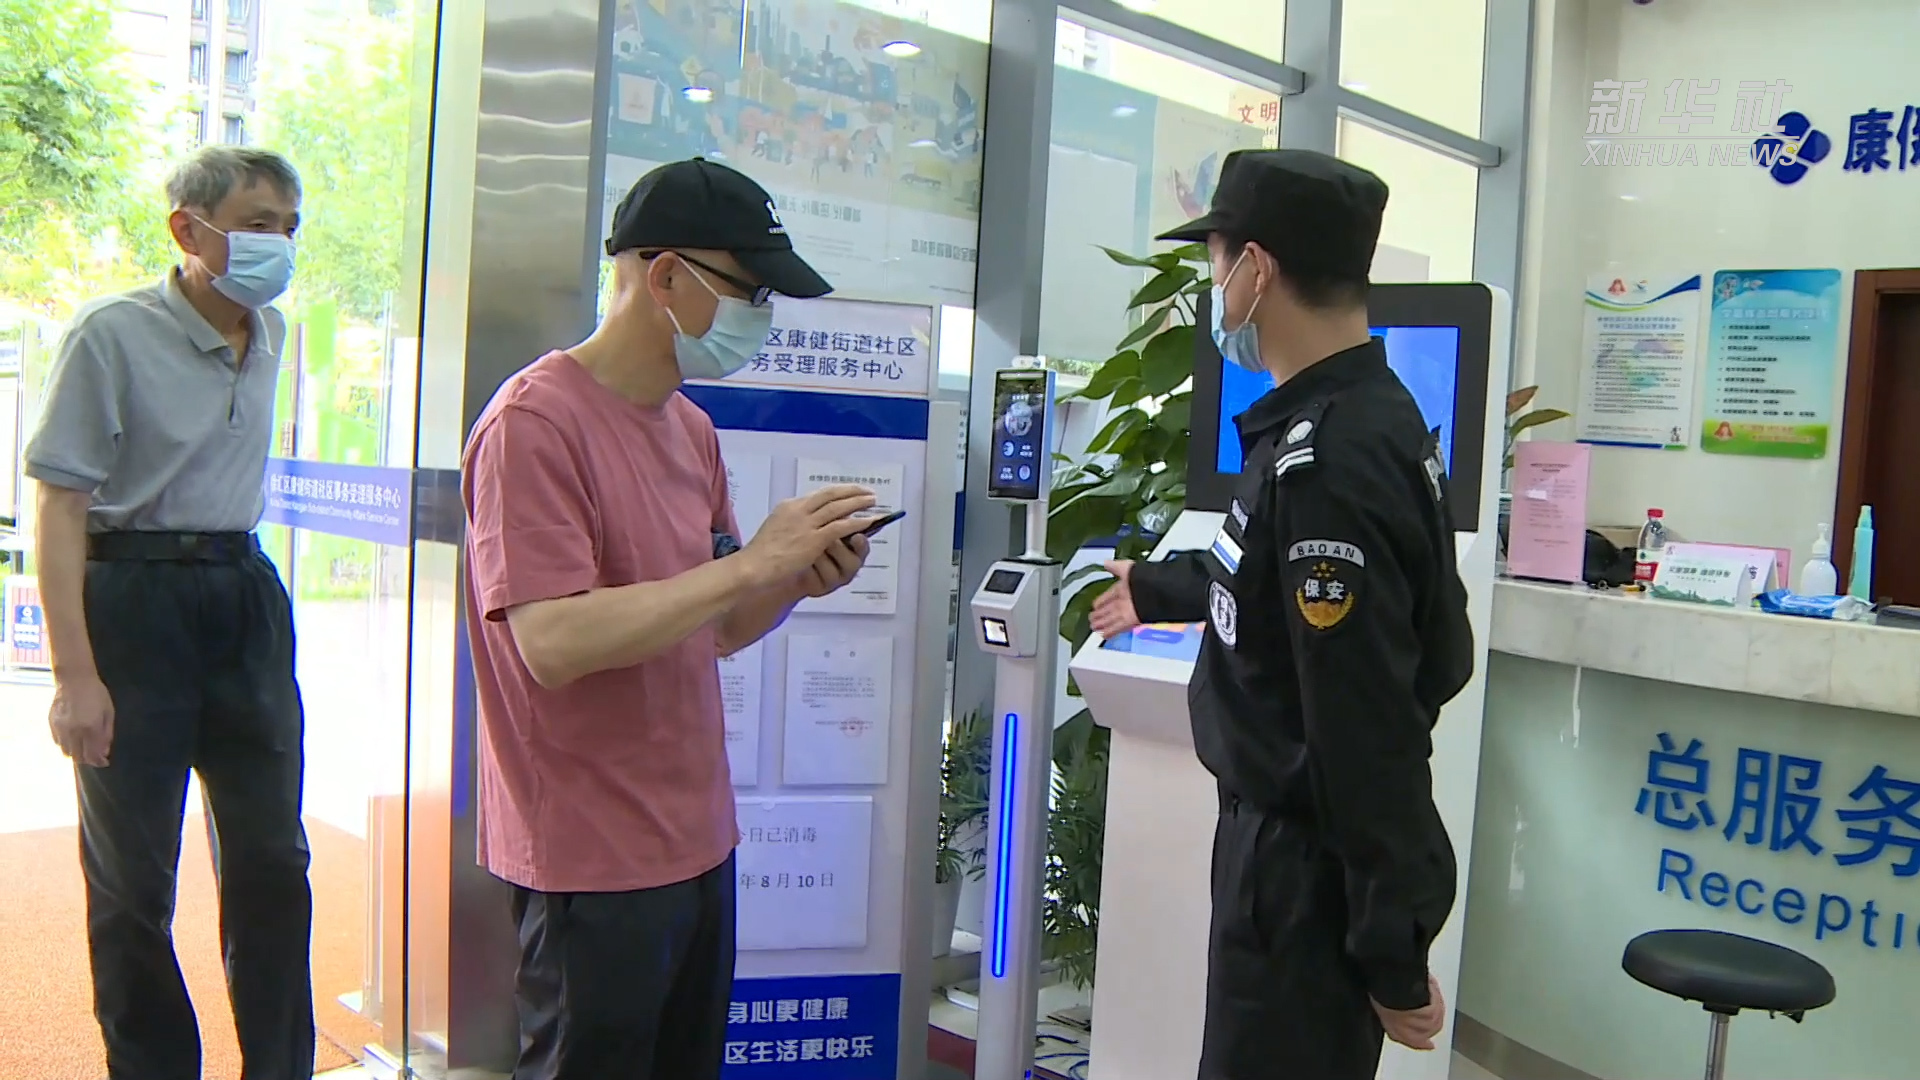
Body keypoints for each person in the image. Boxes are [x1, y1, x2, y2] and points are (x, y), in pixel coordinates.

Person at [461, 157, 880, 1080]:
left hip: (696, 841)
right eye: (750, 290)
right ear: (665, 277)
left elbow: (715, 627)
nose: (760, 315)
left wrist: (791, 581)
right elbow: (552, 642)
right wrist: (748, 567)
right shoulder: (534, 425)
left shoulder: (691, 430)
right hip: (588, 856)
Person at [1090, 149, 1474, 1080]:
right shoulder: (1359, 421)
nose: (1215, 289)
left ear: (1256, 270)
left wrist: (1390, 945)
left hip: (1302, 883)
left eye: (1216, 264)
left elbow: (1364, 726)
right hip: (1286, 863)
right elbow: (1286, 583)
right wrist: (1160, 589)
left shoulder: (1329, 459)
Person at [24, 145, 314, 1079]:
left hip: (244, 597)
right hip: (132, 598)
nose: (279, 244)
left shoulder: (272, 331)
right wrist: (74, 677)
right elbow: (59, 508)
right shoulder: (110, 333)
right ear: (188, 229)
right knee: (132, 881)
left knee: (274, 862)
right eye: (258, 224)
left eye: (290, 227)